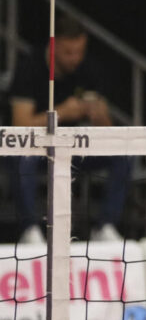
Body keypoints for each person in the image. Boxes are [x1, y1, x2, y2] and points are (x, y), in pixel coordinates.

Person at [8, 14, 130, 243]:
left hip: (72, 148)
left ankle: (105, 226)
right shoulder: (29, 68)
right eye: (68, 52)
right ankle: (30, 230)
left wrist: (100, 115)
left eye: (79, 52)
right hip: (36, 150)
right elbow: (20, 126)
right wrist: (61, 112)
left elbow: (107, 131)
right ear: (53, 46)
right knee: (23, 158)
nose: (75, 58)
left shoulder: (88, 69)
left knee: (122, 154)